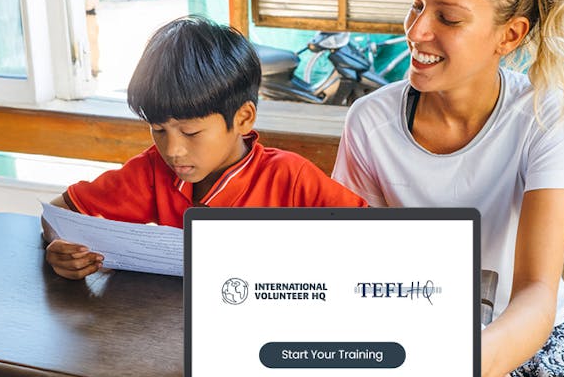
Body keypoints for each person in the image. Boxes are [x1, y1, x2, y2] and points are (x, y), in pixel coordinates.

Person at [332, 0, 564, 377]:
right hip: (416, 334)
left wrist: (472, 364)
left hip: (527, 339)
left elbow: (537, 293)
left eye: (448, 18)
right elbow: (355, 272)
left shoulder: (547, 114)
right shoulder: (370, 124)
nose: (416, 31)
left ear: (511, 34)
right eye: (416, 6)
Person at [44, 15, 366, 280]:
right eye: (158, 130)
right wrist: (60, 246)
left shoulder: (291, 178)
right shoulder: (153, 172)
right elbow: (58, 211)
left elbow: (373, 240)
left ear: (243, 119)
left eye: (191, 132)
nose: (173, 150)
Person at [83, 0, 101, 77]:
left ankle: (93, 67)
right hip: (85, 9)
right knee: (91, 38)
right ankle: (93, 67)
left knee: (92, 38)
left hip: (88, 10)